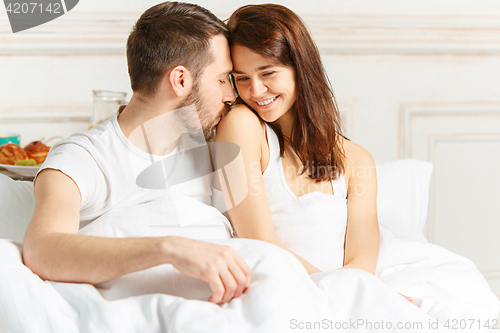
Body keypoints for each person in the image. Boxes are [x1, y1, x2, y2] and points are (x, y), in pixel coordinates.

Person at [22, 1, 251, 305]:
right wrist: (170, 249)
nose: (230, 96)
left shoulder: (208, 147)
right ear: (180, 80)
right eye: (222, 79)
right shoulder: (82, 158)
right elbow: (42, 250)